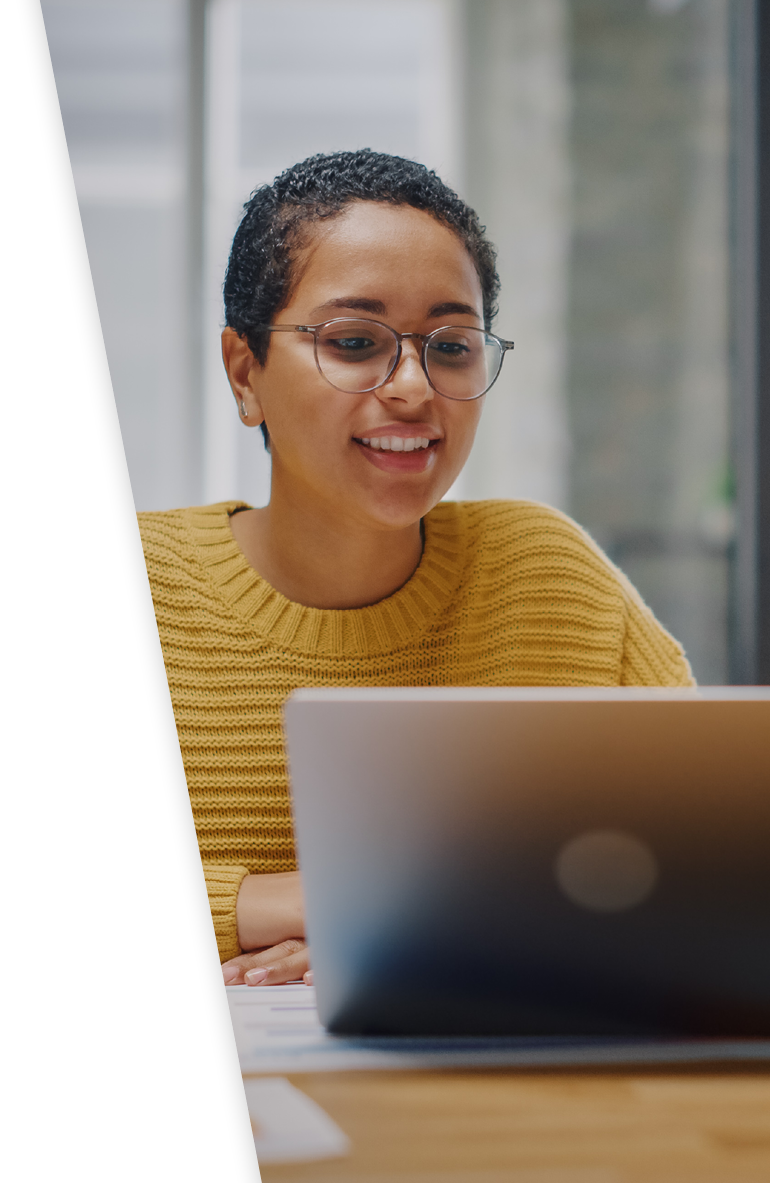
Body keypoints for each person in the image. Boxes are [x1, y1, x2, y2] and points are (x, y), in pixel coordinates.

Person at [140, 150, 693, 988]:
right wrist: (296, 901)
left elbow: (698, 861)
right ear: (245, 372)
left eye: (451, 346)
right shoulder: (125, 584)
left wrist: (430, 928)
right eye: (355, 342)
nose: (412, 387)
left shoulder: (550, 578)